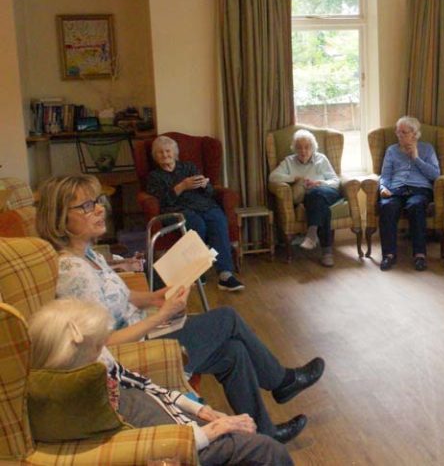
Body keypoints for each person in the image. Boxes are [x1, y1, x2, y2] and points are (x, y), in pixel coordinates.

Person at [36, 175, 325, 444]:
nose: (99, 209)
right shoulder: (73, 272)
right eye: (86, 206)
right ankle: (282, 381)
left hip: (144, 333)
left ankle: (265, 433)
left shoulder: (88, 255)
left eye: (97, 201)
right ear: (61, 219)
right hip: (133, 354)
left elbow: (120, 298)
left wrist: (155, 297)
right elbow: (103, 343)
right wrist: (162, 315)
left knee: (233, 352)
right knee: (227, 318)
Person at [28, 298, 293, 465]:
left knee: (233, 353)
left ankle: (279, 390)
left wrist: (198, 409)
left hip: (183, 423)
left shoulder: (101, 369)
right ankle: (282, 384)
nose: (107, 353)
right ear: (76, 367)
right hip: (183, 445)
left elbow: (143, 384)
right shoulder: (89, 408)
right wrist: (213, 430)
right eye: (99, 347)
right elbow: (143, 448)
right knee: (268, 452)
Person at [146, 135, 243, 292]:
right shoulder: (154, 177)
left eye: (168, 151)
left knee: (218, 219)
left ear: (175, 153)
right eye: (160, 152)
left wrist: (205, 185)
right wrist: (181, 186)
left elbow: (210, 192)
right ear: (155, 156)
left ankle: (225, 274)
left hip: (203, 205)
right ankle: (197, 272)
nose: (165, 155)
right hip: (177, 209)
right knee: (197, 224)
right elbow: (162, 201)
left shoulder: (188, 167)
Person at [269, 129, 342, 267]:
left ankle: (312, 234)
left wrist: (320, 183)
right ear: (294, 148)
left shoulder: (321, 159)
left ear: (313, 147)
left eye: (307, 147)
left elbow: (335, 180)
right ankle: (326, 252)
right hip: (311, 198)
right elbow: (273, 177)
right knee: (319, 203)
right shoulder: (289, 162)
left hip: (328, 192)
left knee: (316, 193)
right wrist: (294, 178)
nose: (303, 151)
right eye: (299, 147)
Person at [378, 116, 441, 272]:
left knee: (416, 205)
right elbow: (385, 174)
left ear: (415, 133)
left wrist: (416, 158)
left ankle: (420, 255)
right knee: (386, 206)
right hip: (396, 189)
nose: (399, 135)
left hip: (420, 189)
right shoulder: (391, 150)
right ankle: (389, 255)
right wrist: (383, 188)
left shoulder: (427, 149)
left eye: (404, 132)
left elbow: (435, 175)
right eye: (398, 132)